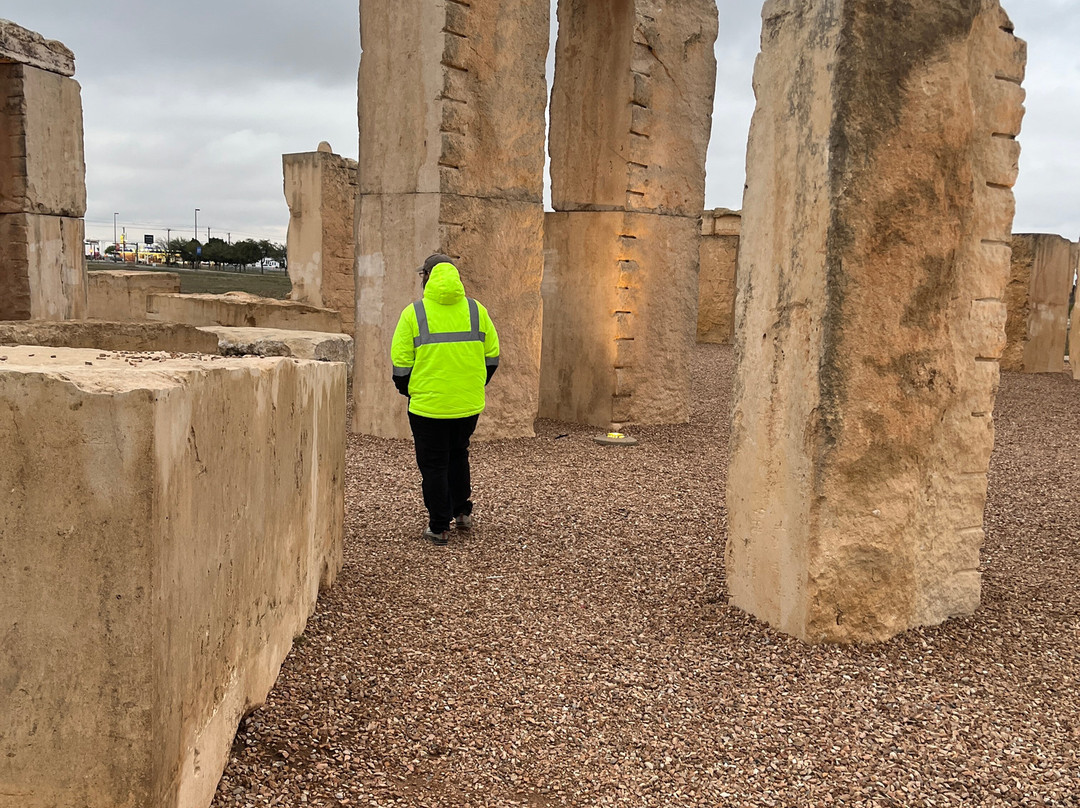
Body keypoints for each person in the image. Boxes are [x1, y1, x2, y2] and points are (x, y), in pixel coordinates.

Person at [391, 254, 500, 546]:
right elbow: (492, 357)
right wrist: (473, 385)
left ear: (426, 276)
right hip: (467, 405)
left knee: (434, 464)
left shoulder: (413, 313)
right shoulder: (477, 310)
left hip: (428, 407)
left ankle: (439, 526)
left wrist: (410, 391)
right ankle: (462, 512)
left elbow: (401, 365)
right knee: (458, 454)